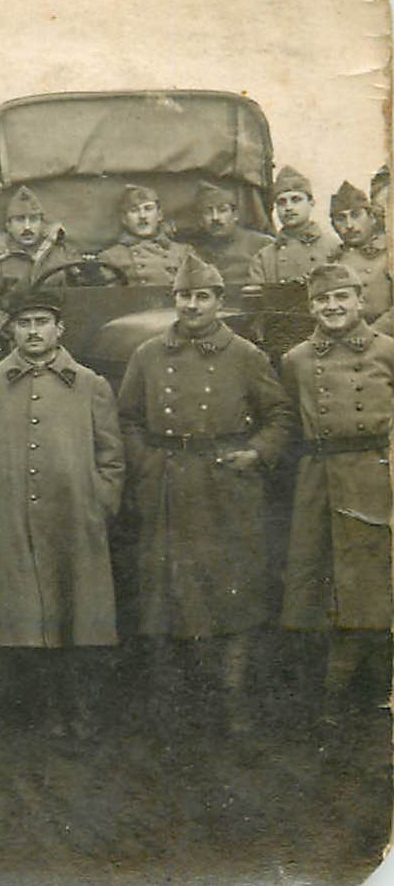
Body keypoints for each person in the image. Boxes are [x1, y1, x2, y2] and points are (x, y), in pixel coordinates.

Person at [117, 254, 294, 736]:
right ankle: (171, 708)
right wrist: (148, 464)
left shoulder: (244, 355)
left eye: (201, 296)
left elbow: (279, 416)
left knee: (231, 592)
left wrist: (255, 454)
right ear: (172, 300)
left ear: (219, 301)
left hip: (226, 485)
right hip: (168, 484)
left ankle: (231, 703)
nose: (192, 305)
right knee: (166, 593)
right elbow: (127, 418)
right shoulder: (149, 354)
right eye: (183, 296)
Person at [0, 288, 123, 738]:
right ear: (11, 329)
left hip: (75, 518)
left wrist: (100, 503)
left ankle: (82, 711)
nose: (33, 332)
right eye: (24, 323)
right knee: (23, 619)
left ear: (59, 329)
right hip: (10, 519)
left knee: (81, 614)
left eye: (42, 323)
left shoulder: (90, 384)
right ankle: (41, 712)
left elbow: (111, 455)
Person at [278, 263, 394, 738]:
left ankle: (378, 692)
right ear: (311, 307)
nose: (332, 307)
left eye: (341, 297)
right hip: (320, 481)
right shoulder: (297, 360)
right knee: (324, 586)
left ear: (360, 300)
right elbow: (288, 422)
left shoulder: (388, 351)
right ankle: (329, 699)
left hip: (376, 475)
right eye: (322, 300)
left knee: (374, 585)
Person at [0, 185, 79, 359]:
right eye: (19, 220)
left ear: (42, 223)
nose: (27, 227)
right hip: (15, 342)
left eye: (33, 219)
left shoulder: (63, 253)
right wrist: (12, 326)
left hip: (67, 337)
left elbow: (85, 291)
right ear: (8, 226)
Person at [249, 166, 341, 285]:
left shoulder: (333, 247)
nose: (288, 208)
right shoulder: (264, 258)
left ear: (311, 203)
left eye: (296, 199)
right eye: (281, 202)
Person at [98, 184, 199, 286]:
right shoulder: (111, 257)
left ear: (159, 215)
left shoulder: (184, 252)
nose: (142, 216)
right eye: (134, 210)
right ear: (124, 219)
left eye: (148, 209)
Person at [183, 181, 273, 286]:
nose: (215, 217)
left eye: (222, 210)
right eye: (208, 211)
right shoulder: (193, 250)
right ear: (201, 220)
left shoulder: (262, 244)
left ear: (235, 215)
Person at [326, 181, 392, 323]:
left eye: (355, 215)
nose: (349, 225)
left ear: (372, 218)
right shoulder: (333, 261)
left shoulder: (389, 254)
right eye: (340, 219)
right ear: (333, 226)